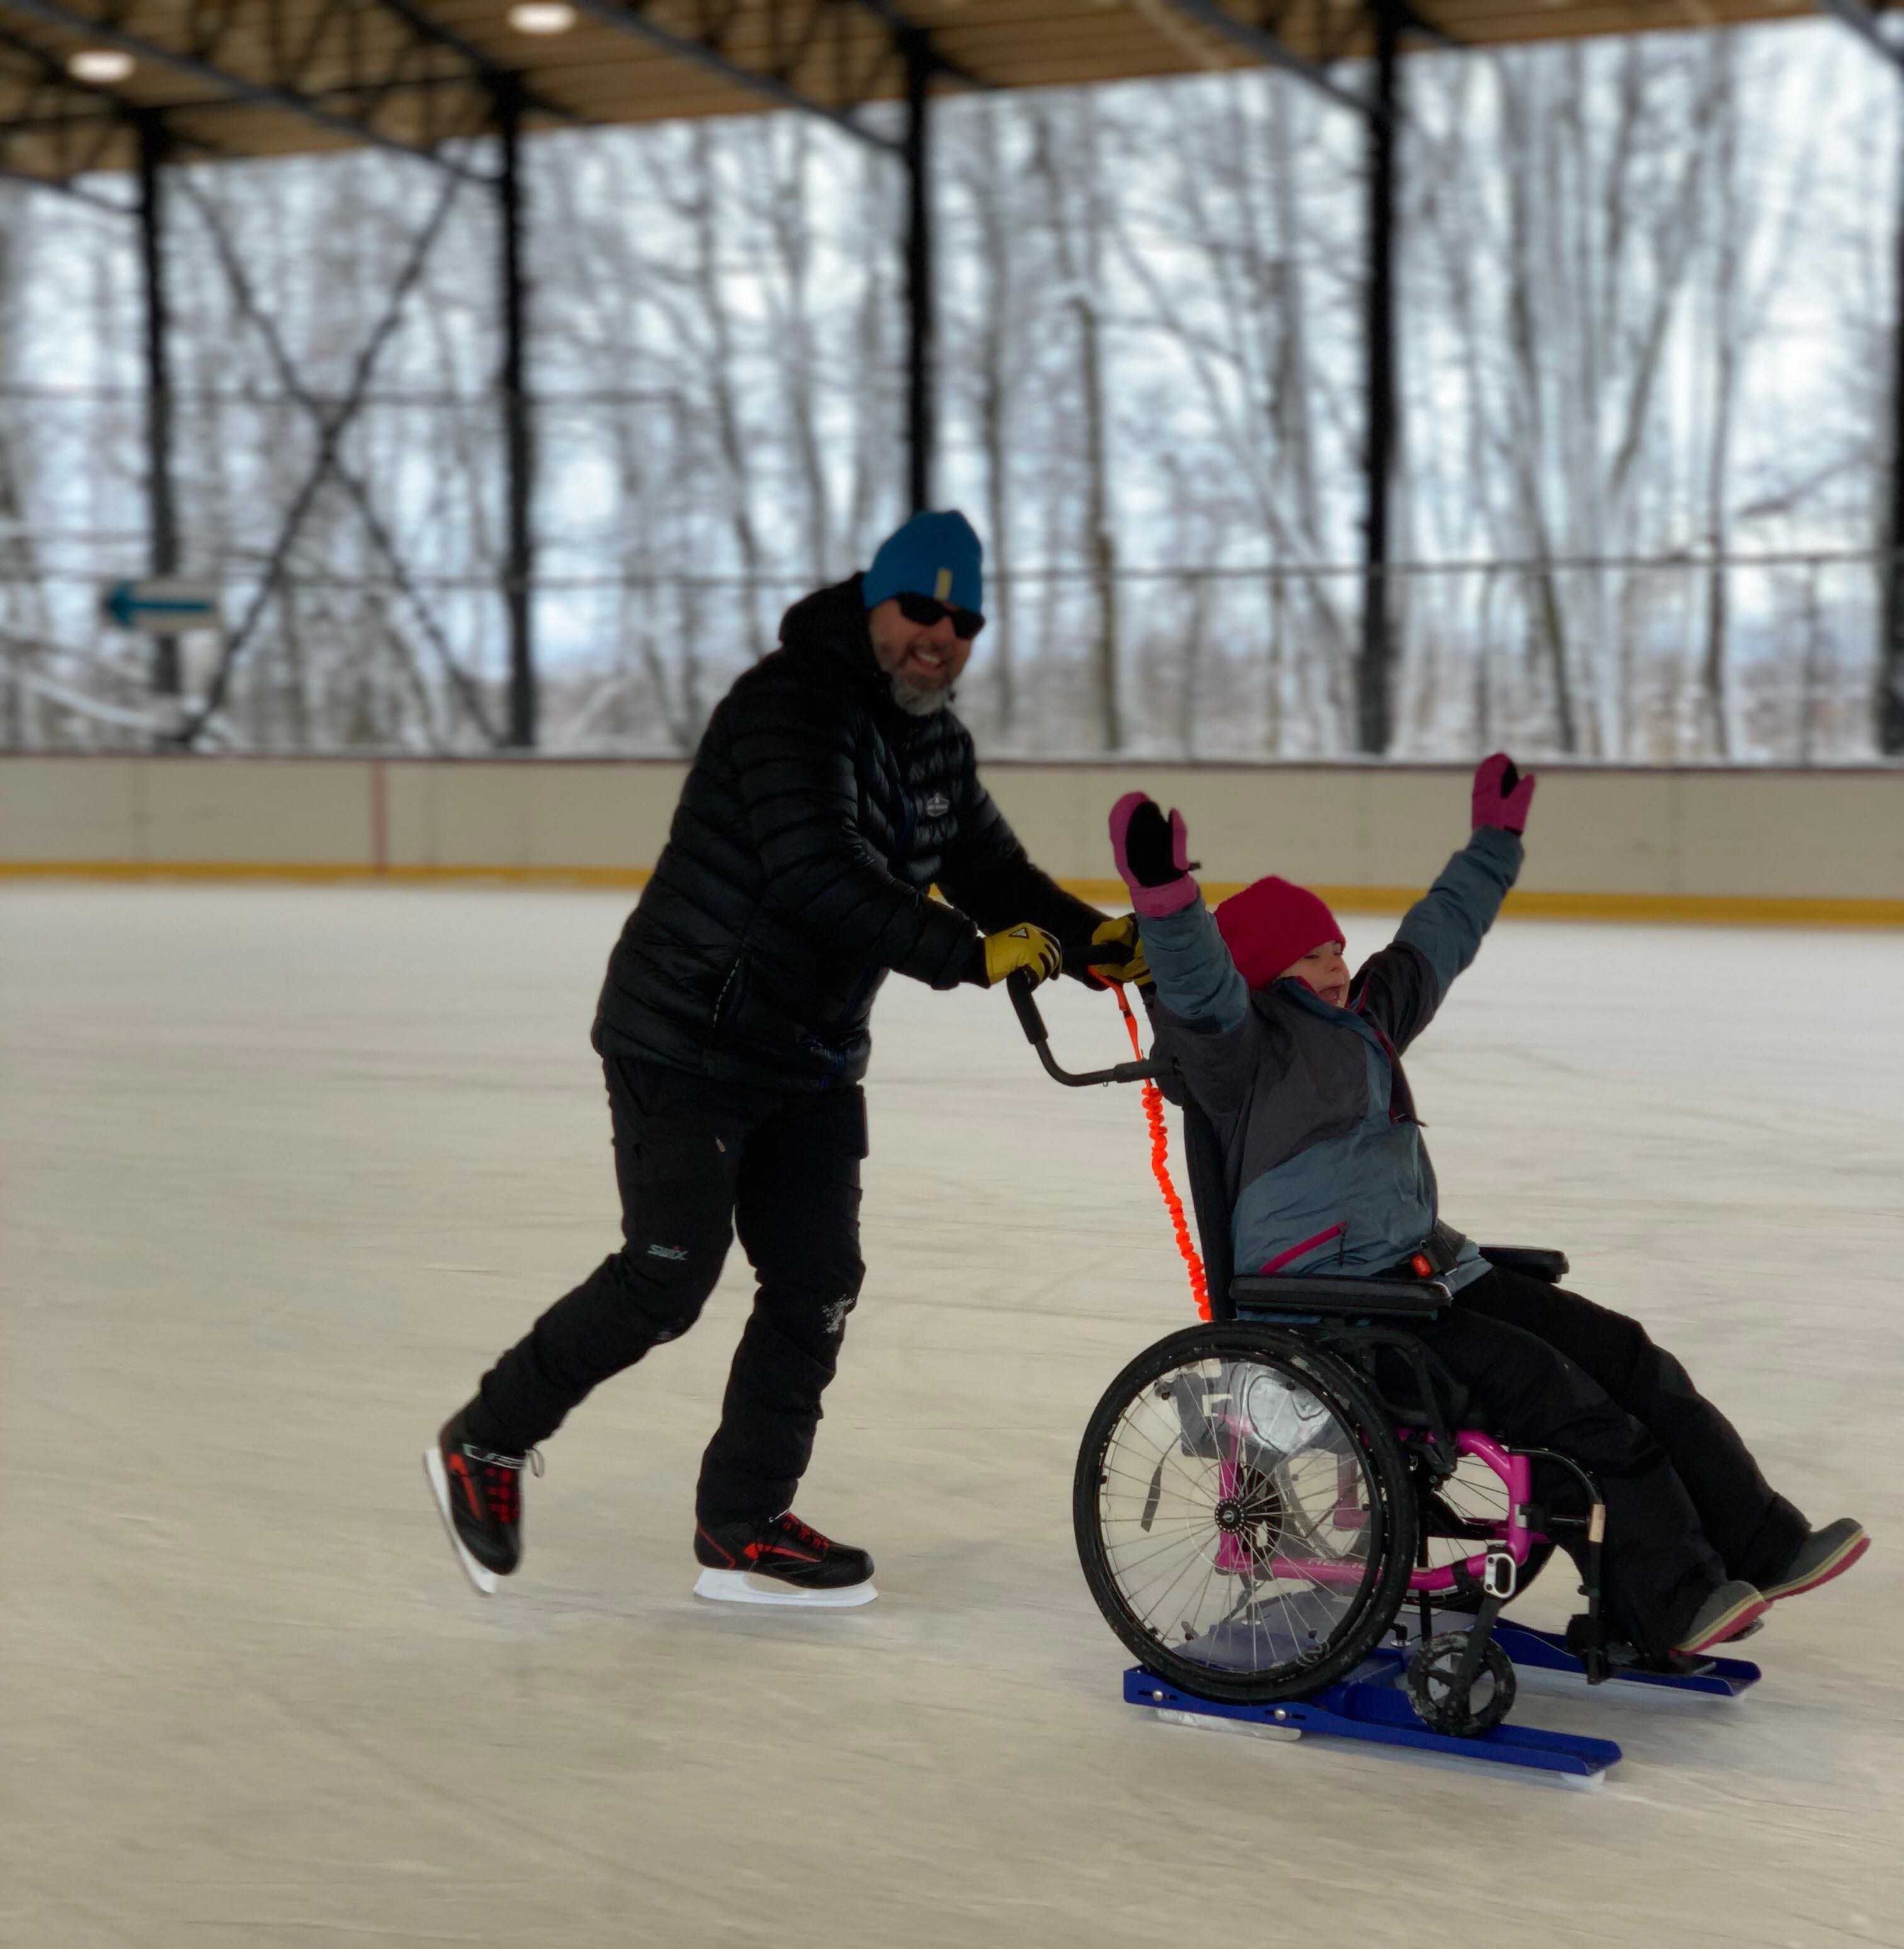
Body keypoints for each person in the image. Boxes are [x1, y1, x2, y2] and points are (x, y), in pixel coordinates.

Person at [428, 510, 1144, 1608]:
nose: (941, 636)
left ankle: (742, 1523)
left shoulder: (935, 743)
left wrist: (1095, 943)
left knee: (817, 1283)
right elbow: (819, 872)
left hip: (809, 1056)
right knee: (668, 1276)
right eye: (921, 609)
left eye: (964, 621)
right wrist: (967, 954)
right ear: (874, 603)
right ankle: (487, 1438)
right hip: (687, 1035)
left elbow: (995, 874)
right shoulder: (785, 708)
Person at [1110, 756, 1867, 1668]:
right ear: (1267, 968)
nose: (1340, 964)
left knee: (1628, 1356)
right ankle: (1670, 1602)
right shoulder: (1242, 1055)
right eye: (1315, 954)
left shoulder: (1370, 1019)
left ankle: (1761, 1544)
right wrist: (1166, 898)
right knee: (1573, 1407)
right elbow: (1197, 986)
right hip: (1337, 1305)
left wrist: (1496, 841)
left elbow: (1441, 933)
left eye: (1339, 947)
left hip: (1429, 1276)